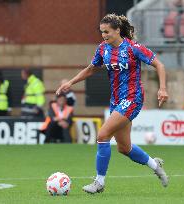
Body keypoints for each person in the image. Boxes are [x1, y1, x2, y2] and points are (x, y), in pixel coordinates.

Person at [56, 13, 169, 194]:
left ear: (117, 30)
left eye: (107, 32)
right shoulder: (103, 49)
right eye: (102, 32)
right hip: (116, 101)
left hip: (132, 98)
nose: (104, 35)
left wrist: (162, 88)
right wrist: (70, 82)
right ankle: (156, 165)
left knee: (102, 134)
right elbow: (91, 68)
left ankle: (99, 182)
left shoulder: (133, 48)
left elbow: (160, 65)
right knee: (124, 148)